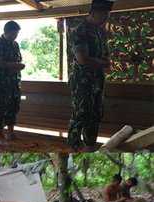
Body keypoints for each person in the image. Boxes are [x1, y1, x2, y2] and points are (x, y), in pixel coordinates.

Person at [67, 0, 113, 152]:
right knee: (80, 115)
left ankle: (89, 147)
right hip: (83, 82)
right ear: (93, 13)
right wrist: (102, 63)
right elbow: (83, 60)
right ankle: (73, 148)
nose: (105, 18)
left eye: (107, 14)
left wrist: (99, 63)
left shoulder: (100, 32)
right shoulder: (80, 31)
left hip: (98, 81)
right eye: (103, 14)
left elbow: (107, 58)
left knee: (95, 116)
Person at [0, 21, 26, 145]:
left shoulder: (15, 44)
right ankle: (0, 135)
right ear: (6, 32)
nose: (15, 37)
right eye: (13, 34)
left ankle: (11, 133)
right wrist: (15, 66)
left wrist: (16, 66)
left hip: (14, 81)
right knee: (0, 107)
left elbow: (17, 60)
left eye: (17, 34)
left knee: (13, 106)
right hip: (1, 81)